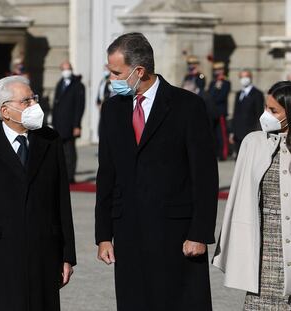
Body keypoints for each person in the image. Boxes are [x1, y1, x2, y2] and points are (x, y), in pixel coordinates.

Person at [95, 32, 218, 310]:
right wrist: (103, 235)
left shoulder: (188, 106)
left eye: (116, 73)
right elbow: (107, 174)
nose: (111, 80)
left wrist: (199, 232)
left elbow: (205, 176)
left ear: (139, 71)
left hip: (176, 235)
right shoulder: (113, 109)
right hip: (129, 233)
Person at [0, 75, 76, 311]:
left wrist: (67, 255)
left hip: (43, 254)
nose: (34, 105)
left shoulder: (50, 140)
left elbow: (61, 201)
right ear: (5, 110)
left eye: (34, 98)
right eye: (26, 101)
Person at [213, 81, 291, 309]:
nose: (266, 115)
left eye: (274, 110)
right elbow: (238, 200)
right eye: (266, 108)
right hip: (264, 251)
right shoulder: (253, 143)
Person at [52, 61, 85, 183]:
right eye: (64, 69)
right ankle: (63, 173)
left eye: (69, 68)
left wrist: (77, 125)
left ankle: (70, 175)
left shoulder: (78, 85)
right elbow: (56, 105)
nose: (67, 71)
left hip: (71, 124)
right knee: (61, 151)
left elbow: (79, 107)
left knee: (70, 151)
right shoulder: (60, 84)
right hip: (59, 124)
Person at [229, 69, 265, 155]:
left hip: (250, 132)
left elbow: (259, 113)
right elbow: (235, 113)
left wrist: (258, 131)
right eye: (242, 77)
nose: (244, 79)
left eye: (246, 76)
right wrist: (232, 131)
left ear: (250, 77)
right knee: (238, 157)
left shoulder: (257, 94)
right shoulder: (238, 94)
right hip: (238, 133)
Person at [209, 61, 231, 160]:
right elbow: (209, 95)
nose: (217, 72)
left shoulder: (226, 82)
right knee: (212, 134)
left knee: (221, 134)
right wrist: (216, 88)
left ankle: (223, 154)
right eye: (216, 70)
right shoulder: (213, 83)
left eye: (219, 70)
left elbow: (221, 97)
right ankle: (214, 152)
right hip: (212, 112)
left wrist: (218, 88)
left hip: (220, 111)